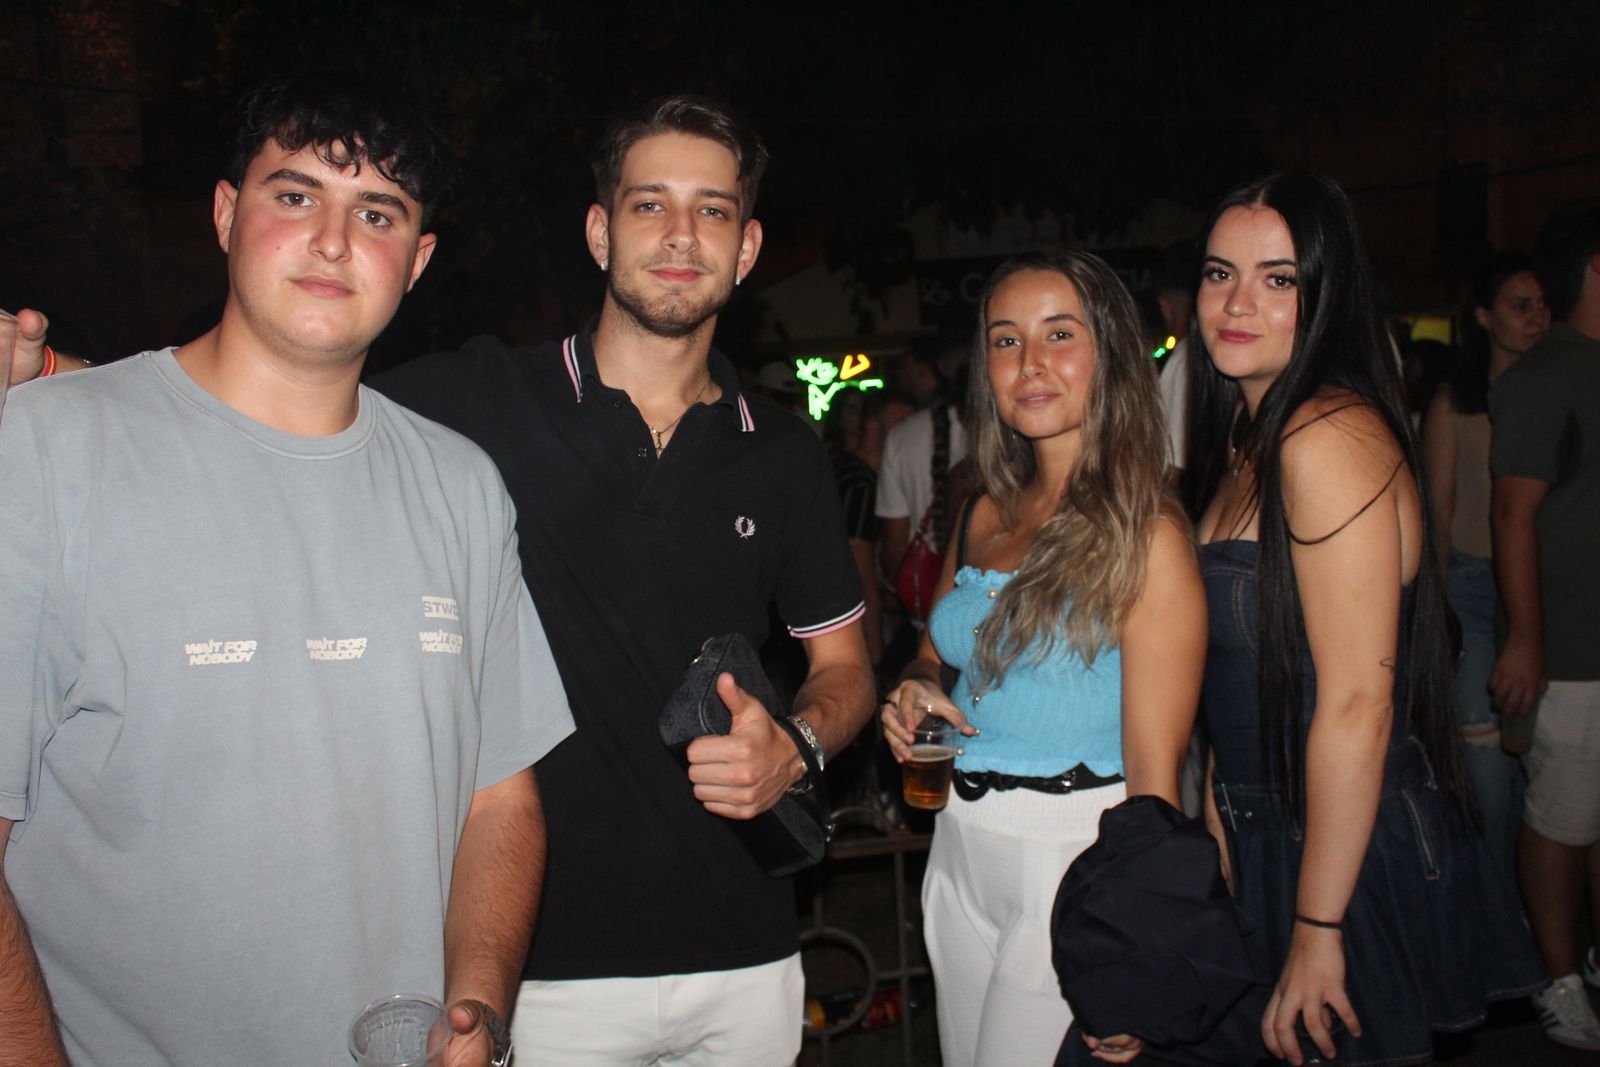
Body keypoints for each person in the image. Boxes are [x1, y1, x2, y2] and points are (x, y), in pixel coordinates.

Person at [0, 74, 573, 1066]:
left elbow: (501, 798)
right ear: (226, 214)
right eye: (296, 194)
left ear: (418, 259)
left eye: (377, 212)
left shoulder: (462, 485)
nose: (335, 240)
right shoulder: (44, 452)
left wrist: (475, 1008)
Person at [371, 96, 876, 1065]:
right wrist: (55, 371)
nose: (681, 235)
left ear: (747, 244)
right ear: (600, 232)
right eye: (649, 205)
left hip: (746, 953)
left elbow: (844, 665)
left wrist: (798, 745)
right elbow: (277, 394)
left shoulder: (782, 452)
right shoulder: (484, 399)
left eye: (712, 210)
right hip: (542, 964)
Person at [1186, 169, 1545, 1067]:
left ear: (1326, 291)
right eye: (1218, 272)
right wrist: (1224, 835)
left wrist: (1318, 923)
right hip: (1274, 834)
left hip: (1343, 852)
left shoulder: (1326, 436)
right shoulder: (1247, 438)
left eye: (1278, 278)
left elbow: (1356, 702)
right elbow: (1239, 692)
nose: (1236, 301)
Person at [882, 248, 1206, 1066]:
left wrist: (1134, 944)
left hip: (1072, 855)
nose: (1028, 362)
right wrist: (914, 691)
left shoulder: (1149, 529)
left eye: (1058, 334)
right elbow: (930, 655)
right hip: (958, 840)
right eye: (1004, 339)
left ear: (1108, 352)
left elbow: (1157, 768)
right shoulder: (985, 507)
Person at [1489, 197, 1600, 1051]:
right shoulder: (1545, 376)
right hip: (1571, 646)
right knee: (1559, 818)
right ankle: (1556, 978)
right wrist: (1526, 639)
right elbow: (1512, 515)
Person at [1420, 254, 1549, 888]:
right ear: (1483, 317)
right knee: (1487, 766)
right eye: (1519, 306)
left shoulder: (1560, 392)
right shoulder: (1456, 403)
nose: (1535, 319)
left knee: (1546, 764)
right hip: (1470, 586)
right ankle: (1496, 904)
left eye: (1542, 305)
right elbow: (1437, 511)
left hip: (1548, 590)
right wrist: (1436, 616)